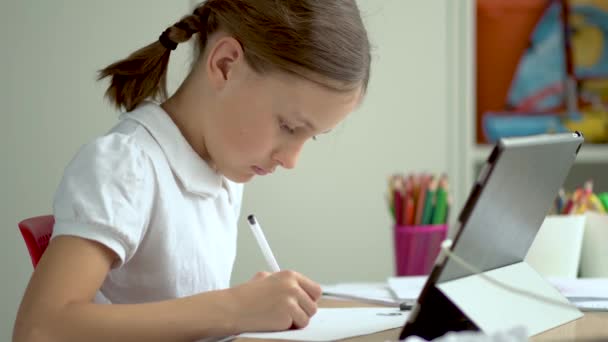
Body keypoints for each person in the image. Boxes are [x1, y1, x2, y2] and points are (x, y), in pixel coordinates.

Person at [13, 0, 371, 341]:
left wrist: (252, 308)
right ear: (226, 65)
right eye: (290, 127)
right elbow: (40, 330)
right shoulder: (128, 166)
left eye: (312, 138)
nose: (291, 160)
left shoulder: (222, 173)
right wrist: (234, 308)